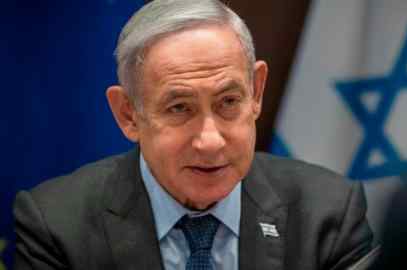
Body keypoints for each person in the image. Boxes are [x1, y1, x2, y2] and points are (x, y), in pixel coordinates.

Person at [14, 0, 374, 269]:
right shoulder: (56, 225)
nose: (210, 140)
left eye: (229, 101)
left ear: (256, 92)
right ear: (128, 114)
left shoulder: (328, 214)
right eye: (179, 108)